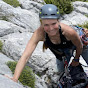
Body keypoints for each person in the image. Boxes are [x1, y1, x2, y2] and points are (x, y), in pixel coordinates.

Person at [5, 4, 88, 86]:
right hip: (61, 52)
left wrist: (76, 59)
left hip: (81, 43)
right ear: (41, 23)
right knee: (61, 72)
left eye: (53, 23)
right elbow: (25, 56)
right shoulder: (39, 34)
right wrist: (15, 79)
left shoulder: (68, 32)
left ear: (59, 21)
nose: (51, 28)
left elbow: (79, 45)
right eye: (46, 25)